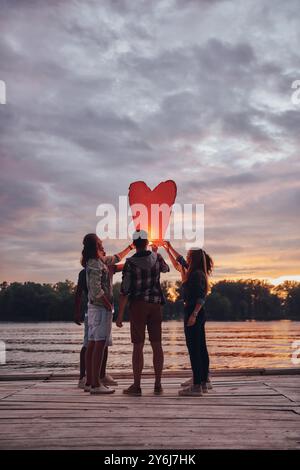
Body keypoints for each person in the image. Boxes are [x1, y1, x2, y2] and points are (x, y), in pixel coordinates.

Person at [116, 230, 170, 396]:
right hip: (155, 305)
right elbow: (166, 269)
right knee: (157, 344)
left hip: (138, 306)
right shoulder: (157, 257)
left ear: (134, 245)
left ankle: (137, 386)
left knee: (138, 346)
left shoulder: (130, 263)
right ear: (147, 242)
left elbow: (125, 290)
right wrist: (155, 253)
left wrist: (119, 315)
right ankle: (158, 385)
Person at [82, 233, 133, 395]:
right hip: (99, 309)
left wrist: (130, 248)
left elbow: (116, 259)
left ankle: (90, 381)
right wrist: (108, 305)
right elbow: (97, 290)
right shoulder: (95, 264)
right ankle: (97, 384)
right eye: (100, 243)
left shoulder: (99, 261)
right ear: (95, 246)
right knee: (99, 344)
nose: (102, 244)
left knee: (92, 343)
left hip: (94, 309)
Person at [163, 241, 213, 396]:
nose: (186, 257)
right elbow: (178, 261)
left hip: (194, 312)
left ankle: (197, 386)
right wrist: (168, 248)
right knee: (200, 348)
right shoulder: (193, 271)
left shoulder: (197, 274)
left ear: (194, 258)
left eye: (189, 255)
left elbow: (201, 297)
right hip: (194, 312)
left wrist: (193, 315)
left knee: (194, 349)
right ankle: (203, 382)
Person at [74, 267, 119, 389]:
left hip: (105, 312)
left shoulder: (106, 268)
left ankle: (101, 374)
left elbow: (122, 265)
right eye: (101, 250)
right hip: (93, 311)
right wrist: (77, 311)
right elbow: (79, 292)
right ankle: (84, 377)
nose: (104, 252)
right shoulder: (86, 272)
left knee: (103, 343)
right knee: (88, 343)